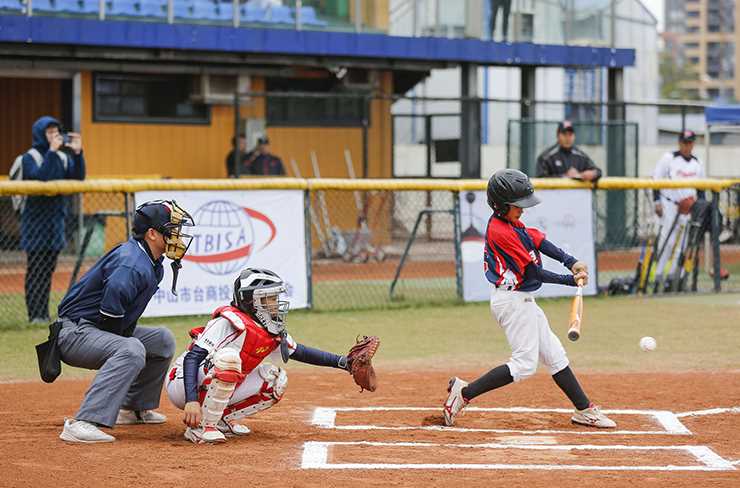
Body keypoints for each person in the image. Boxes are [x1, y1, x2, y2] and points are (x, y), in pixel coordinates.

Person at [443, 169, 616, 429]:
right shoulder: (500, 231)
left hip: (521, 300)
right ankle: (464, 394)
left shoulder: (511, 222)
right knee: (524, 364)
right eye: (517, 206)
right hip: (512, 302)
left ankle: (584, 410)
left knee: (555, 354)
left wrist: (571, 262)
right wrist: (570, 280)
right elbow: (533, 273)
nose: (522, 210)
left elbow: (538, 239)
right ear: (500, 206)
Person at [166, 268, 379, 444]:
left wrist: (344, 363)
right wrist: (191, 401)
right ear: (251, 302)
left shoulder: (267, 328)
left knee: (274, 380)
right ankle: (201, 428)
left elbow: (301, 352)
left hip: (209, 381)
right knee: (230, 358)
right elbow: (192, 358)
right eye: (269, 299)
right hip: (183, 382)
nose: (276, 304)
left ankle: (220, 420)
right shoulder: (228, 322)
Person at [56, 200, 195, 443]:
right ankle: (83, 422)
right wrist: (123, 348)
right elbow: (110, 318)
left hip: (92, 328)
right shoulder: (131, 264)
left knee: (162, 340)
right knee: (131, 349)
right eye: (171, 229)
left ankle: (133, 409)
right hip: (75, 333)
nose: (177, 235)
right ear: (152, 234)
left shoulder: (150, 260)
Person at [21, 116, 85, 324]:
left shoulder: (62, 156)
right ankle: (34, 315)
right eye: (49, 132)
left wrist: (78, 153)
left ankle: (44, 313)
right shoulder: (29, 157)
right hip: (35, 224)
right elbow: (42, 179)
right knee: (35, 270)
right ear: (40, 133)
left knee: (48, 270)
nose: (54, 136)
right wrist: (51, 151)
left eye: (56, 132)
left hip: (55, 223)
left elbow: (78, 178)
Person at [652, 130, 705, 289]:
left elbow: (701, 188)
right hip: (670, 204)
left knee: (682, 245)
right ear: (679, 143)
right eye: (684, 142)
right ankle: (658, 276)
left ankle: (674, 278)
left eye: (690, 142)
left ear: (693, 144)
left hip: (688, 208)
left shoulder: (697, 162)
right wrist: (657, 202)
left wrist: (698, 208)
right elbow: (656, 179)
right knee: (666, 242)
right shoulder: (669, 158)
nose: (687, 146)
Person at [536, 121, 602, 182]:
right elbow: (540, 178)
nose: (567, 138)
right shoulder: (546, 157)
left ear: (574, 136)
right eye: (564, 134)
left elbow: (598, 171)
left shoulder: (580, 155)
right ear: (558, 135)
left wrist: (592, 174)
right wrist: (564, 176)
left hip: (577, 194)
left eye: (570, 134)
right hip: (554, 193)